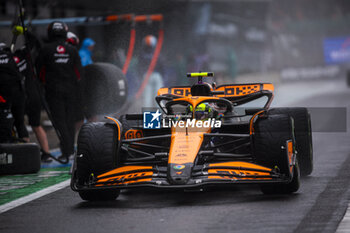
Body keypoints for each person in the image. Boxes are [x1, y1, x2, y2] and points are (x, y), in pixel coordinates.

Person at [36, 21, 82, 161]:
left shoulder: (45, 49)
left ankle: (67, 149)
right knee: (69, 120)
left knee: (59, 121)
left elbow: (38, 72)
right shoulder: (72, 50)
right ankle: (69, 149)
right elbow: (79, 74)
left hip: (53, 91)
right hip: (71, 90)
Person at [13, 30, 53, 162]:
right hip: (29, 94)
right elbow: (34, 42)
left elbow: (34, 42)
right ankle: (42, 153)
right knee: (31, 125)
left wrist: (24, 31)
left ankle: (30, 155)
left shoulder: (19, 56)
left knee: (22, 124)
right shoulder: (24, 55)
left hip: (23, 95)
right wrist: (25, 32)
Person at [0, 42, 28, 142]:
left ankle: (9, 146)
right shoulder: (13, 58)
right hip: (18, 95)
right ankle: (26, 149)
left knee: (5, 123)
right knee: (20, 123)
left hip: (4, 98)